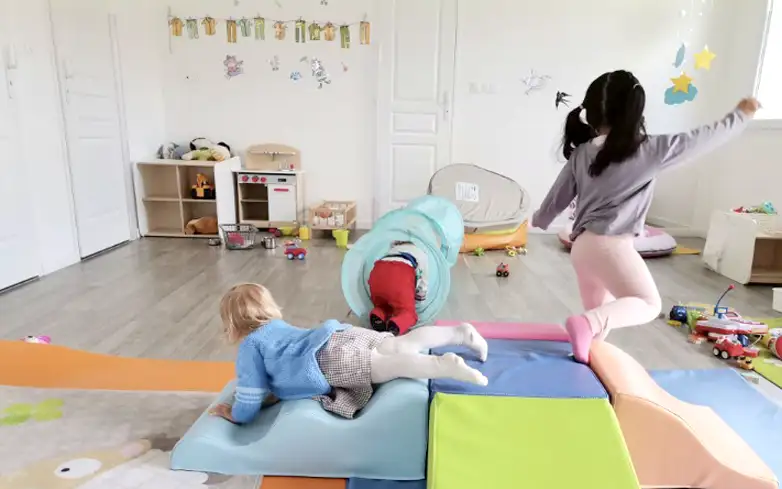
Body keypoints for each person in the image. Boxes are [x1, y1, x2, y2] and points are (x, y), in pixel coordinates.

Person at [531, 69, 760, 363]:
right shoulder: (649, 149)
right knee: (647, 304)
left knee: (600, 321)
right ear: (635, 110)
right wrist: (741, 116)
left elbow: (556, 198)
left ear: (593, 112)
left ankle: (584, 362)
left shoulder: (582, 152)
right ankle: (586, 326)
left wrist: (538, 220)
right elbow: (702, 139)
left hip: (583, 248)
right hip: (610, 247)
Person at [210, 283, 488, 423]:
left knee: (390, 365)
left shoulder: (250, 345)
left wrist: (237, 415)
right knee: (399, 344)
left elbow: (251, 390)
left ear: (232, 324)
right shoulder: (277, 327)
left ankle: (442, 365)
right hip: (341, 334)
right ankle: (459, 334)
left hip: (327, 359)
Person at [368, 240, 429, 336]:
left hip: (377, 274)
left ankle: (377, 315)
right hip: (400, 274)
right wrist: (419, 303)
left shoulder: (392, 250)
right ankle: (395, 326)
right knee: (408, 313)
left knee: (383, 305)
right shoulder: (421, 254)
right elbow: (423, 284)